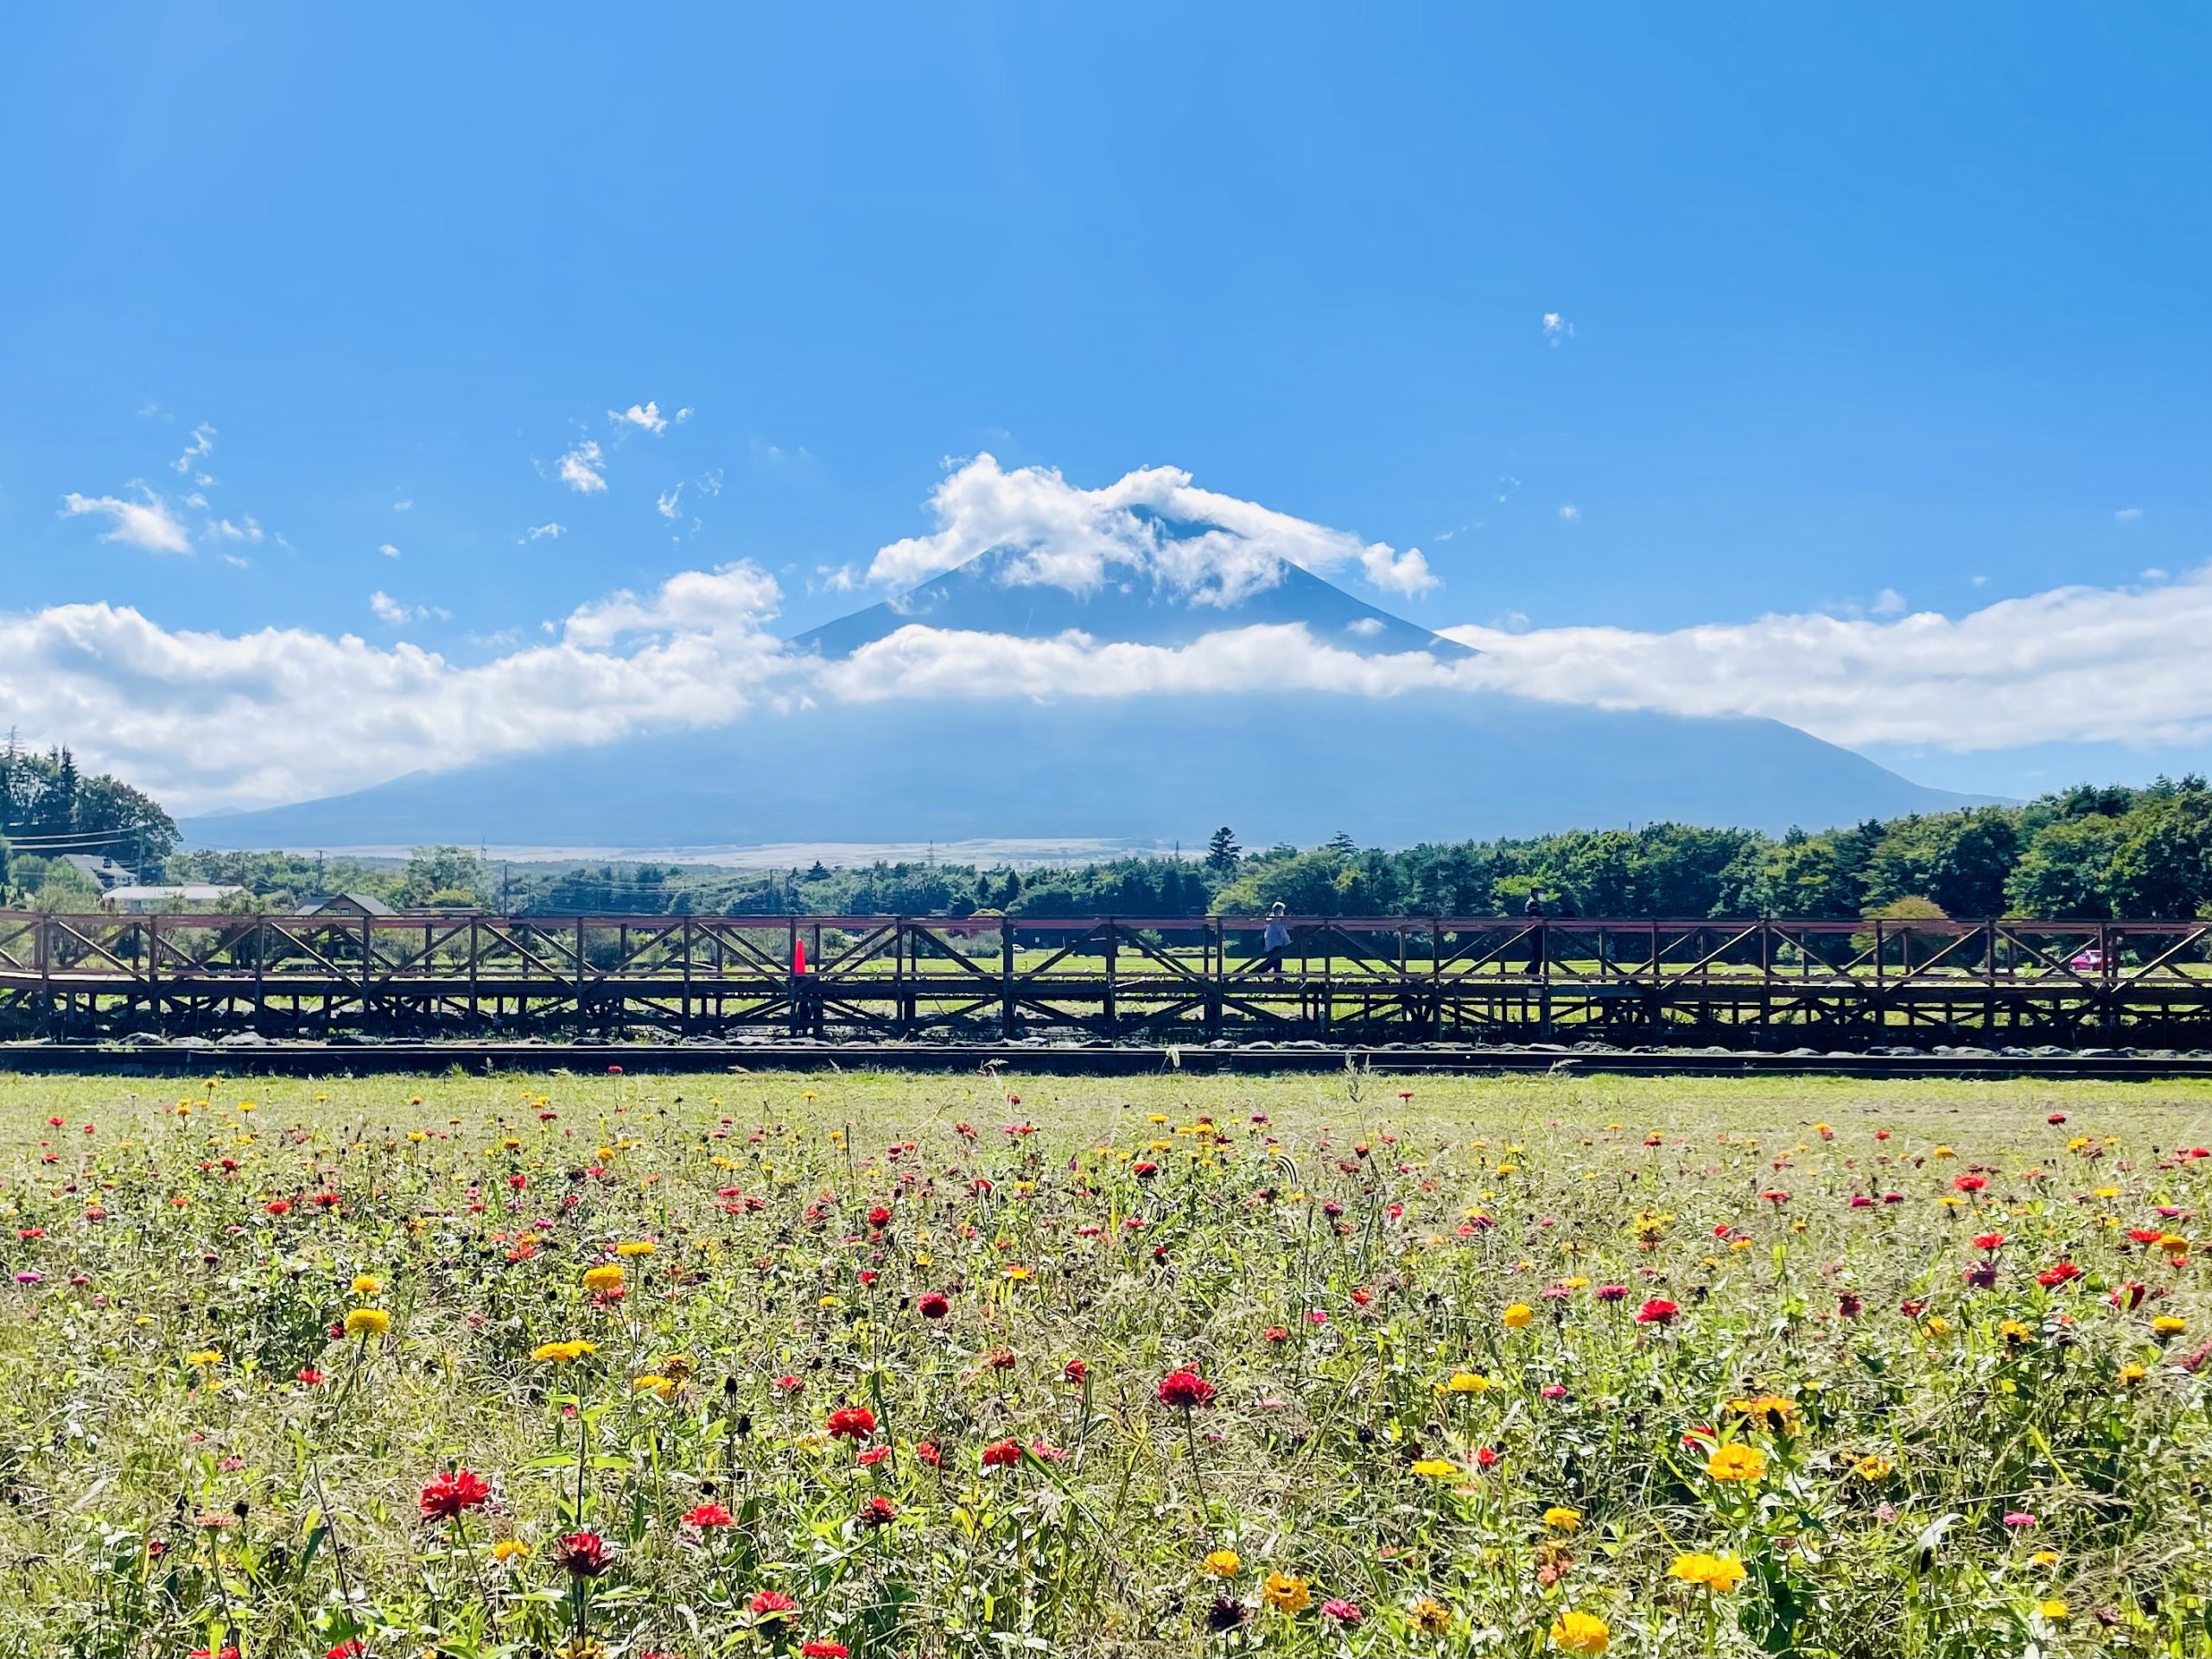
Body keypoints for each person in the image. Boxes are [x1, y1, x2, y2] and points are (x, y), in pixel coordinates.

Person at [1262, 902, 1291, 976]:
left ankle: (1277, 975)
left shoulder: (1270, 918)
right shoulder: (1276, 919)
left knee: (1273, 961)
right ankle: (1277, 975)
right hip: (1276, 944)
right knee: (1276, 961)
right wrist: (1288, 942)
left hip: (1270, 944)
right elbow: (1282, 932)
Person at [1523, 891, 1546, 974]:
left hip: (1536, 934)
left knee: (1538, 954)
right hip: (1536, 934)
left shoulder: (1531, 907)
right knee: (1538, 954)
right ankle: (1534, 972)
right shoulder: (1534, 909)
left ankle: (1530, 970)